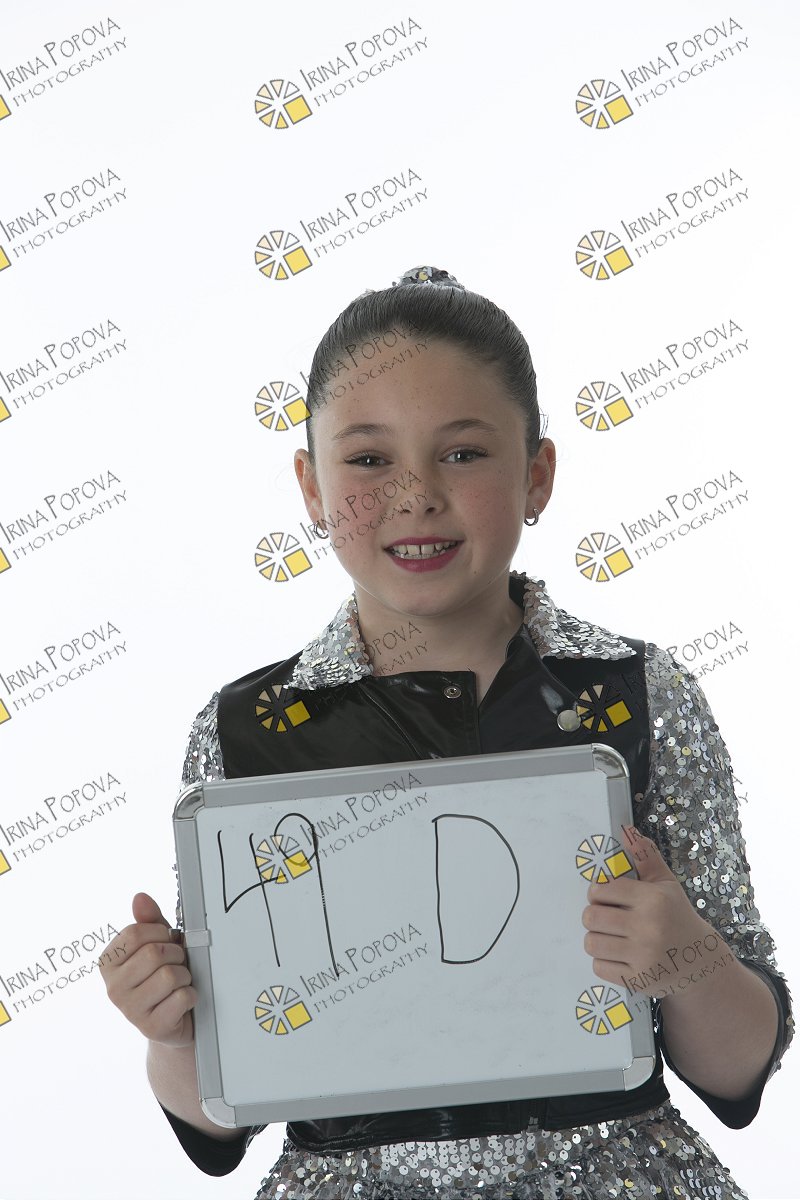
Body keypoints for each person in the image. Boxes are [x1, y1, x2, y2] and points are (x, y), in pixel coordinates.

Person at [100, 266, 793, 1199]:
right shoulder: (249, 729)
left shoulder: (634, 693)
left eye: (463, 454)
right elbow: (223, 1120)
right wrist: (172, 1030)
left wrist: (689, 958)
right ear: (311, 487)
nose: (415, 495)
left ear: (536, 474)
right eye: (368, 461)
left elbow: (739, 1073)